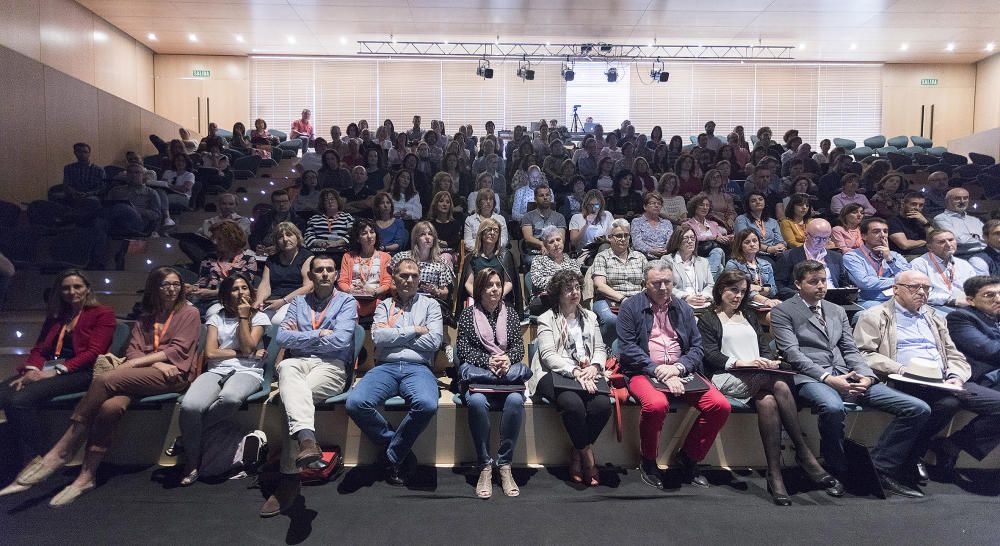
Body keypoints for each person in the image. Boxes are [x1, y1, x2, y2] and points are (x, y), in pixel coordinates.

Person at [6, 267, 199, 505]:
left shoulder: (189, 313)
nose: (171, 289)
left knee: (104, 379)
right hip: (146, 373)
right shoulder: (147, 315)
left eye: (175, 284)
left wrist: (142, 362)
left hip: (175, 374)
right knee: (110, 408)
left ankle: (63, 448)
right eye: (165, 284)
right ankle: (86, 476)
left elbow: (177, 351)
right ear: (154, 288)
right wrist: (152, 364)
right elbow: (133, 350)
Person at [770, 260, 931, 497]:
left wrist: (866, 376)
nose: (821, 286)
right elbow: (793, 354)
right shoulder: (783, 311)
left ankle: (878, 467)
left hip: (848, 374)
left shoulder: (836, 310)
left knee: (918, 409)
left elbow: (851, 349)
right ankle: (835, 470)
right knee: (833, 407)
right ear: (798, 284)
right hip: (810, 376)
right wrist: (827, 378)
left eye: (823, 280)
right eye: (813, 282)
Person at [698, 271, 840, 504]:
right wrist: (740, 362)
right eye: (733, 290)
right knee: (780, 383)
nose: (738, 296)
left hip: (759, 375)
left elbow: (763, 347)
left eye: (742, 291)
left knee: (769, 401)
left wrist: (769, 360)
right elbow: (710, 354)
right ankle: (804, 452)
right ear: (721, 289)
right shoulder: (709, 318)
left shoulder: (750, 315)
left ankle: (775, 477)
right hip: (726, 376)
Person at [855, 270, 1000, 484]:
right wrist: (899, 369)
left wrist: (956, 375)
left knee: (978, 402)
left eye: (926, 288)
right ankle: (914, 457)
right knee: (946, 404)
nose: (921, 292)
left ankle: (932, 451)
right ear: (896, 289)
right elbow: (864, 353)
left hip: (942, 380)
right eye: (915, 287)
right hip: (900, 377)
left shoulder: (934, 317)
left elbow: (953, 354)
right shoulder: (875, 315)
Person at [617, 260, 731, 489]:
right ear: (644, 284)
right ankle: (649, 461)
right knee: (656, 405)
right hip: (644, 371)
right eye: (656, 283)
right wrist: (659, 370)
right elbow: (628, 347)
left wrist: (678, 368)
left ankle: (689, 458)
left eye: (667, 282)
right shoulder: (630, 307)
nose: (662, 288)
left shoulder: (683, 308)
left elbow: (697, 348)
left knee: (720, 405)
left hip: (680, 370)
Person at [262, 254, 357, 517]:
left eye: (329, 270)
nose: (325, 274)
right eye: (319, 270)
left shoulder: (347, 302)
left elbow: (340, 342)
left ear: (336, 274)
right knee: (287, 367)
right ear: (311, 275)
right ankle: (307, 442)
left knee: (290, 396)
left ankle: (289, 477)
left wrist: (301, 337)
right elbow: (282, 336)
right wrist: (318, 333)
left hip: (332, 367)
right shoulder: (298, 302)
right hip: (300, 363)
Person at [0, 271, 115, 473]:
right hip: (48, 370)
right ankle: (14, 454)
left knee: (18, 401)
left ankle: (39, 458)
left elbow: (94, 353)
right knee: (4, 393)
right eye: (66, 288)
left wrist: (55, 372)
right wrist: (32, 370)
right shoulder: (57, 317)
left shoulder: (102, 313)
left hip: (81, 372)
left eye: (77, 286)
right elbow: (40, 349)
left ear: (87, 289)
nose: (72, 292)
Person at [346, 258, 442, 486]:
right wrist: (415, 331)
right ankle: (400, 450)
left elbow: (435, 340)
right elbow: (378, 338)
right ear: (395, 279)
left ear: (419, 279)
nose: (409, 280)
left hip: (418, 368)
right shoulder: (383, 306)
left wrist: (396, 337)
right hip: (385, 368)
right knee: (355, 403)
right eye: (404, 275)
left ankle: (391, 455)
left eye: (414, 276)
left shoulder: (431, 306)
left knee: (428, 404)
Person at [176, 273, 270, 486]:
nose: (241, 293)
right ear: (226, 294)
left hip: (248, 371)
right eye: (235, 289)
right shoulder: (216, 316)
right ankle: (192, 464)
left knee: (230, 398)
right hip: (216, 370)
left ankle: (188, 437)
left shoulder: (259, 317)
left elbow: (248, 346)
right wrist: (240, 353)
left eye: (244, 288)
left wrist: (244, 317)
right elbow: (210, 352)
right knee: (190, 406)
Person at [528, 269, 609, 486]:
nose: (574, 293)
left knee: (602, 406)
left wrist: (594, 366)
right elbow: (548, 356)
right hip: (553, 373)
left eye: (576, 288)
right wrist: (573, 372)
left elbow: (600, 349)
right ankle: (588, 458)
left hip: (587, 372)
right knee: (573, 405)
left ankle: (577, 451)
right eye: (568, 289)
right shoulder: (547, 318)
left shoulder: (590, 316)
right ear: (558, 293)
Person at [456, 268, 529, 498]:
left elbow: (518, 346)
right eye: (489, 285)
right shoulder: (468, 315)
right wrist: (488, 361)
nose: (495, 289)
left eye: (498, 284)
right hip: (480, 378)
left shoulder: (512, 314)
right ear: (480, 289)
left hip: (506, 378)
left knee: (516, 401)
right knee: (476, 402)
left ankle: (505, 465)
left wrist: (507, 359)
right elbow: (463, 349)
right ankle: (485, 465)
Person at [591, 219, 648, 344]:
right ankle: (607, 352)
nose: (623, 239)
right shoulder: (602, 257)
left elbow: (648, 283)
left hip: (636, 299)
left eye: (626, 235)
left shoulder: (640, 257)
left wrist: (640, 297)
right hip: (608, 300)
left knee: (648, 317)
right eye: (618, 236)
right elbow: (600, 285)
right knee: (611, 320)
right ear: (610, 238)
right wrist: (623, 299)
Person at [190, 220, 258, 316]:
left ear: (231, 238)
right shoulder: (209, 258)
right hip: (204, 300)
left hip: (232, 301)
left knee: (213, 312)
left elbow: (242, 289)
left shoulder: (248, 260)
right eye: (213, 237)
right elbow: (202, 283)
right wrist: (191, 288)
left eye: (219, 238)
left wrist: (213, 293)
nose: (214, 241)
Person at [844, 218, 912, 309]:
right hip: (869, 301)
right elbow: (865, 283)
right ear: (864, 236)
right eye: (876, 232)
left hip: (897, 299)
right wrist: (898, 281)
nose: (882, 235)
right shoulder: (852, 257)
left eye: (885, 231)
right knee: (880, 309)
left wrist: (889, 259)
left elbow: (910, 277)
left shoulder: (894, 255)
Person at [254, 222, 313, 326]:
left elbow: (308, 287)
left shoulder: (307, 257)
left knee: (278, 321)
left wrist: (283, 301)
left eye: (289, 235)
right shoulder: (272, 259)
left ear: (297, 237)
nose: (285, 239)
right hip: (274, 299)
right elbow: (265, 285)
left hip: (296, 300)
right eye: (281, 237)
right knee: (256, 319)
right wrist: (259, 300)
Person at [946, 275, 1000, 390]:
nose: (998, 299)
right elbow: (989, 350)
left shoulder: (996, 316)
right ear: (971, 300)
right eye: (989, 295)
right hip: (987, 378)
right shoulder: (959, 317)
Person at [909, 230, 978, 315]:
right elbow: (918, 292)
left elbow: (975, 288)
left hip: (966, 304)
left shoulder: (964, 264)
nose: (948, 245)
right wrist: (951, 300)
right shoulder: (919, 264)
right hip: (936, 307)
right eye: (941, 242)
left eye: (951, 240)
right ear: (930, 247)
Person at [775, 218, 846, 300]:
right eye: (817, 238)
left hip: (835, 300)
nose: (821, 242)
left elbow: (844, 283)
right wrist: (801, 296)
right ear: (806, 235)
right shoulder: (788, 256)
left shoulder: (836, 257)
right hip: (802, 301)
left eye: (825, 238)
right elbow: (779, 285)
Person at [337, 218, 393, 321]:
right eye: (364, 233)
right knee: (349, 306)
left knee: (383, 306)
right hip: (353, 298)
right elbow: (342, 281)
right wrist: (350, 291)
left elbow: (387, 283)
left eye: (372, 232)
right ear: (358, 238)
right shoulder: (348, 256)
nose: (369, 236)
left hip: (376, 298)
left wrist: (375, 292)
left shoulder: (386, 257)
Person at [461, 218, 515, 303]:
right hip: (478, 299)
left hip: (500, 299)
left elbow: (508, 283)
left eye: (496, 231)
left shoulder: (505, 256)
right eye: (489, 229)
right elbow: (469, 284)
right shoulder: (472, 257)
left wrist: (497, 297)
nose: (492, 233)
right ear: (481, 233)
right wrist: (480, 298)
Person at [725, 229, 781, 307]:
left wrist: (760, 289)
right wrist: (764, 298)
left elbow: (774, 290)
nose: (752, 244)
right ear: (740, 245)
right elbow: (737, 290)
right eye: (747, 242)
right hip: (743, 304)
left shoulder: (766, 264)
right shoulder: (733, 264)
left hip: (766, 303)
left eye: (755, 241)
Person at [105, 162, 164, 235]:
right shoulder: (115, 190)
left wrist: (135, 209)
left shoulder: (151, 193)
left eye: (137, 172)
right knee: (97, 220)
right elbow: (106, 206)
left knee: (124, 207)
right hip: (115, 220)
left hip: (138, 222)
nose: (133, 175)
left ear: (143, 176)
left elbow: (156, 215)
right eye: (130, 172)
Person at [664, 224, 713, 307]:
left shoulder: (703, 262)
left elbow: (710, 284)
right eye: (686, 238)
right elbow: (665, 285)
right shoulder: (667, 260)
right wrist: (685, 297)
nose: (690, 241)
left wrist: (703, 296)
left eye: (692, 238)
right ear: (677, 241)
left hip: (701, 303)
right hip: (678, 303)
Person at [684, 193, 730, 278]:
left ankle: (708, 283)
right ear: (694, 207)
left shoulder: (713, 224)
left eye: (707, 205)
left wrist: (727, 238)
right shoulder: (688, 224)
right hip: (698, 254)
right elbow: (694, 239)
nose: (705, 208)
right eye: (701, 205)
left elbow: (720, 238)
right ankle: (711, 281)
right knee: (719, 267)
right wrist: (715, 238)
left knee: (718, 252)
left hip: (714, 256)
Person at [519, 185, 566, 266]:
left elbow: (562, 238)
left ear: (551, 197)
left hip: (555, 251)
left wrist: (550, 247)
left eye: (547, 195)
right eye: (541, 195)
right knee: (533, 261)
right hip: (535, 252)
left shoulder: (559, 217)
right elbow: (528, 238)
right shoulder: (528, 216)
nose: (545, 197)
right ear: (535, 199)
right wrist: (541, 244)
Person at [733, 191, 785, 265]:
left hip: (774, 252)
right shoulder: (741, 219)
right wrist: (768, 249)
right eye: (753, 201)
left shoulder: (772, 221)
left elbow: (779, 240)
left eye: (760, 199)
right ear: (748, 205)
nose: (758, 202)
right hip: (753, 253)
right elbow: (745, 240)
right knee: (770, 264)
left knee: (788, 258)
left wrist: (780, 246)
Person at [934, 188, 986, 257]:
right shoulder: (941, 219)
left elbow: (989, 236)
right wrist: (980, 238)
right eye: (957, 199)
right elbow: (959, 240)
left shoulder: (975, 220)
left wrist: (972, 236)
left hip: (985, 253)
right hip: (962, 256)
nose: (962, 201)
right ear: (947, 201)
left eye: (965, 198)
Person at [462, 188, 508, 253]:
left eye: (491, 199)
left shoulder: (500, 219)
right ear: (479, 202)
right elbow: (468, 243)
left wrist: (490, 249)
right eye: (485, 199)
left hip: (496, 254)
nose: (488, 202)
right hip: (476, 254)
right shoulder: (470, 220)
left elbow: (504, 241)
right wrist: (485, 247)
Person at [62, 143, 106, 209]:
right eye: (79, 151)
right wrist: (75, 193)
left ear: (89, 153)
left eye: (85, 152)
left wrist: (88, 194)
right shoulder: (68, 168)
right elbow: (66, 185)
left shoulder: (99, 170)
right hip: (74, 196)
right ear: (75, 153)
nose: (82, 154)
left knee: (91, 201)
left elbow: (102, 188)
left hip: (92, 196)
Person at [630, 192, 674, 258]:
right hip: (643, 257)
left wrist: (663, 250)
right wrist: (652, 250)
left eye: (659, 204)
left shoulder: (667, 223)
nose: (656, 206)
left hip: (664, 256)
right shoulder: (636, 222)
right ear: (645, 206)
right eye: (653, 203)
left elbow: (670, 241)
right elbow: (637, 243)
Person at [888, 191, 932, 255]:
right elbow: (905, 245)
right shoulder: (893, 221)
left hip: (926, 253)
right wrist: (925, 242)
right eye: (913, 204)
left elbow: (936, 238)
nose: (917, 208)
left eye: (921, 205)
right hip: (907, 256)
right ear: (903, 204)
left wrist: (925, 223)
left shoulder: (923, 220)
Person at [427, 190, 462, 255]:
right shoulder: (429, 224)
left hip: (450, 255)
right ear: (435, 204)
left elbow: (454, 243)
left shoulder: (455, 224)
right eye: (441, 201)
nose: (445, 204)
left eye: (448, 202)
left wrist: (438, 242)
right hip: (432, 253)